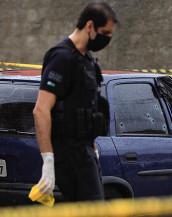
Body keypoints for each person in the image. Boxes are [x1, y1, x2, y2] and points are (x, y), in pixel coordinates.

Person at [33, 1, 117, 202]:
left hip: (84, 150)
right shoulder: (61, 58)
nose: (107, 39)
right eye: (105, 33)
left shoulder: (86, 59)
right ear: (90, 26)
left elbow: (86, 107)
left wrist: (93, 148)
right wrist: (48, 162)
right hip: (68, 152)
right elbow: (41, 110)